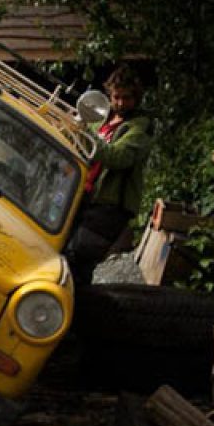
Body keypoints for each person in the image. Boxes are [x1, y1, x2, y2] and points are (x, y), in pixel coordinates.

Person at [65, 64, 154, 285]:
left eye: (127, 98)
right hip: (85, 196)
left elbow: (118, 157)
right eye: (116, 97)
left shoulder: (140, 129)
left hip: (110, 206)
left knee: (79, 256)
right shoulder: (102, 121)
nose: (121, 103)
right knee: (66, 255)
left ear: (136, 98)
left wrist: (85, 132)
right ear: (109, 96)